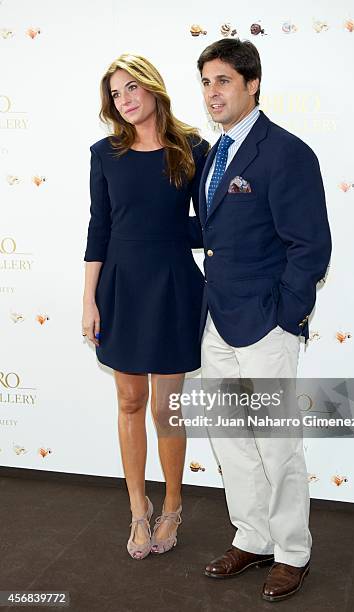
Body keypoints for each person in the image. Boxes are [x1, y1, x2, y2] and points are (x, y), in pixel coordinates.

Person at [196, 39, 332, 602]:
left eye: (223, 80)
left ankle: (292, 552)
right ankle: (252, 537)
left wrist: (286, 316)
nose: (212, 93)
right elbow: (213, 236)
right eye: (205, 82)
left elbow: (310, 246)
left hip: (266, 325)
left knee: (277, 444)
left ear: (253, 84)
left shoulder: (287, 152)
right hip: (216, 323)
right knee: (230, 440)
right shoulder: (212, 154)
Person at [81, 54, 209, 560]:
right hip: (121, 288)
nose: (125, 99)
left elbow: (212, 220)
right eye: (116, 93)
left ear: (154, 88)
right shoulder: (104, 153)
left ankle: (173, 504)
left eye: (132, 88)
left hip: (175, 285)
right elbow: (99, 227)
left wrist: (174, 233)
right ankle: (139, 508)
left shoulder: (192, 148)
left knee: (166, 408)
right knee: (130, 402)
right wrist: (89, 299)